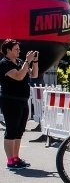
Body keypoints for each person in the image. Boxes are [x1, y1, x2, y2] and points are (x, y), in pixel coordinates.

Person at [0, 39, 38, 170]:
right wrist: (27, 61)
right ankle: (10, 161)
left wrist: (34, 61)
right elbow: (19, 76)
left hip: (22, 100)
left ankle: (16, 157)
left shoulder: (21, 62)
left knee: (19, 130)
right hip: (10, 100)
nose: (19, 51)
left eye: (19, 49)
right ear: (8, 50)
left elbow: (34, 74)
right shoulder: (4, 63)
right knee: (11, 130)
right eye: (16, 49)